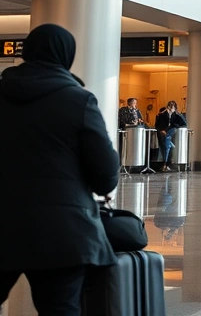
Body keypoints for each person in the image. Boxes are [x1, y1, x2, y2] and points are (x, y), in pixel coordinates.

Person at [0, 24, 120, 314]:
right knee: (60, 309)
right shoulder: (78, 100)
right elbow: (105, 175)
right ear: (67, 55)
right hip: (63, 232)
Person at [155, 100, 187, 172]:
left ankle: (166, 164)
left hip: (170, 132)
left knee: (166, 146)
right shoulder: (162, 114)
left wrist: (174, 127)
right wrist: (161, 130)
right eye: (170, 106)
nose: (171, 108)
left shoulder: (177, 115)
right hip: (163, 132)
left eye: (172, 106)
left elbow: (184, 124)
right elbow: (157, 124)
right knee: (164, 147)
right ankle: (165, 163)